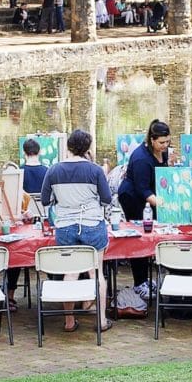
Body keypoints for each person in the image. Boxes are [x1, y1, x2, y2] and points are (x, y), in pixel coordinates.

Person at [38, 130, 115, 332]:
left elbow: (45, 200)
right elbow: (107, 199)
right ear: (87, 148)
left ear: (68, 147)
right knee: (96, 272)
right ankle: (101, 321)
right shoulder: (95, 170)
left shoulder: (53, 170)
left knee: (70, 273)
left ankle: (69, 321)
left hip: (64, 225)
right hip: (91, 223)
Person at [118, 120, 174, 285]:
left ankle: (153, 275)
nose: (165, 145)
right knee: (140, 236)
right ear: (152, 140)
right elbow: (142, 189)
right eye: (162, 142)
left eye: (168, 141)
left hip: (150, 194)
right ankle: (140, 282)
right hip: (133, 197)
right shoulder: (141, 159)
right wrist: (164, 206)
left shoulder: (162, 152)